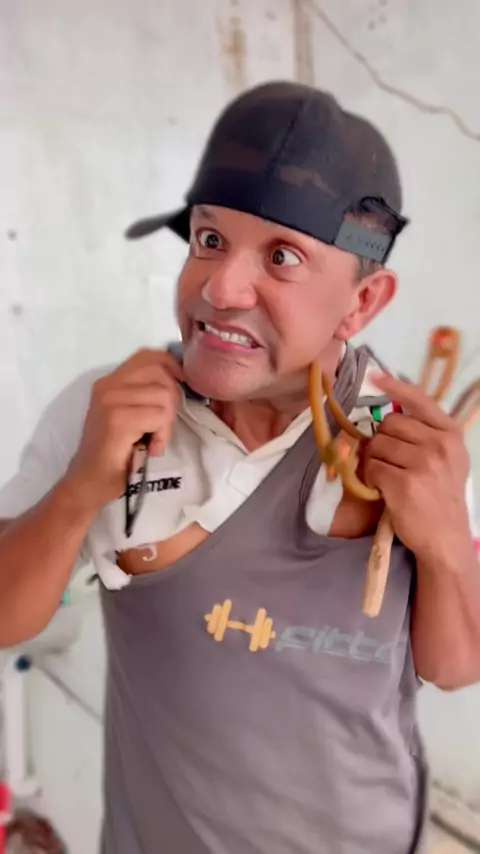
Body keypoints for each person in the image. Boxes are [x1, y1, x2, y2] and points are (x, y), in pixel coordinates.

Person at [0, 81, 479, 854]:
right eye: (208, 239)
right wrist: (81, 488)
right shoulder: (108, 413)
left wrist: (449, 542)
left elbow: (453, 667)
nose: (220, 289)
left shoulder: (401, 436)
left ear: (360, 304)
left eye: (282, 256)